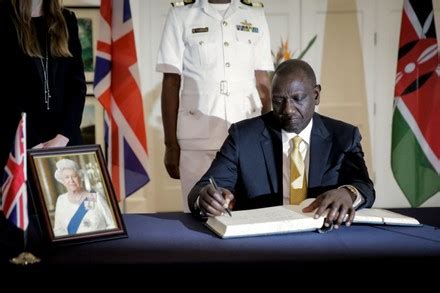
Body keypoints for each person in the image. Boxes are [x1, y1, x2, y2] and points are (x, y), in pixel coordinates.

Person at [188, 59, 375, 228]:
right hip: (262, 238)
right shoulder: (243, 137)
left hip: (323, 235)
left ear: (316, 95)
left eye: (297, 99)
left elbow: (363, 186)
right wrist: (205, 198)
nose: (288, 110)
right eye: (278, 100)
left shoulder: (343, 136)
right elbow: (202, 188)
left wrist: (348, 193)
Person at [156, 0, 273, 212]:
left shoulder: (255, 15)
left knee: (249, 214)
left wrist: (271, 137)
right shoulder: (181, 15)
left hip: (247, 137)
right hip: (197, 138)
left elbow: (262, 79)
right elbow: (171, 81)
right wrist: (170, 144)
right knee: (199, 212)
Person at [0, 0, 86, 171]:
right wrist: (31, 140)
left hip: (64, 141)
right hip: (18, 140)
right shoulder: (5, 18)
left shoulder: (67, 19)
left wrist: (64, 135)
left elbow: (77, 86)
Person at [53, 159, 116, 237]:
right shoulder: (61, 200)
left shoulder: (95, 197)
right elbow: (58, 231)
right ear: (62, 181)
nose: (71, 180)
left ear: (80, 177)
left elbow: (113, 224)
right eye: (67, 177)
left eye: (74, 176)